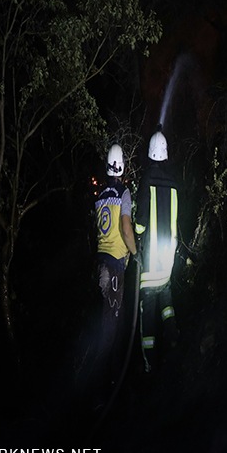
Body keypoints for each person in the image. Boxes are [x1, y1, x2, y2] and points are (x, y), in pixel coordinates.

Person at [135, 125, 179, 373]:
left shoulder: (146, 181)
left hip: (150, 261)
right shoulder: (173, 183)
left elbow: (140, 223)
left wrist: (138, 240)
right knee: (167, 301)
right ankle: (173, 338)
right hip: (167, 260)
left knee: (148, 312)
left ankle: (150, 363)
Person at [94, 143, 137, 388]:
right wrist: (135, 252)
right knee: (110, 329)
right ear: (123, 166)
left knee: (110, 322)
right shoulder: (124, 193)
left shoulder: (100, 196)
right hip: (114, 270)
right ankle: (102, 388)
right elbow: (126, 229)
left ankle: (112, 376)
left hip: (101, 266)